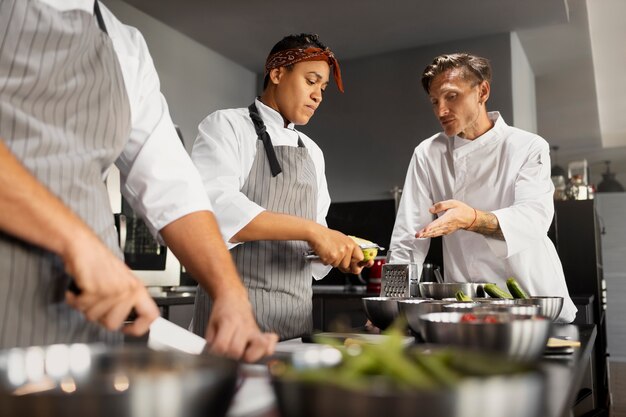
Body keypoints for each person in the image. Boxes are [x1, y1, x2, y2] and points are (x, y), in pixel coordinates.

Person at [0, 0, 277, 361]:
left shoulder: (123, 44)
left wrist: (229, 293)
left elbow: (173, 188)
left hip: (88, 315)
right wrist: (76, 241)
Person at [190, 33, 373, 340]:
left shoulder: (313, 152)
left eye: (323, 88)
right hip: (233, 316)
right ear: (276, 74)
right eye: (311, 81)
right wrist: (314, 232)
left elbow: (316, 232)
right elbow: (215, 210)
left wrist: (336, 254)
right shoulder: (226, 126)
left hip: (296, 320)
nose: (318, 96)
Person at [389, 52, 576, 322]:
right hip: (466, 306)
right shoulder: (427, 153)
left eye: (451, 96)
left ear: (482, 91)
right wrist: (392, 303)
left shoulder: (527, 146)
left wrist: (471, 218)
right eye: (434, 101)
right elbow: (408, 237)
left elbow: (534, 218)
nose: (441, 110)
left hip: (532, 299)